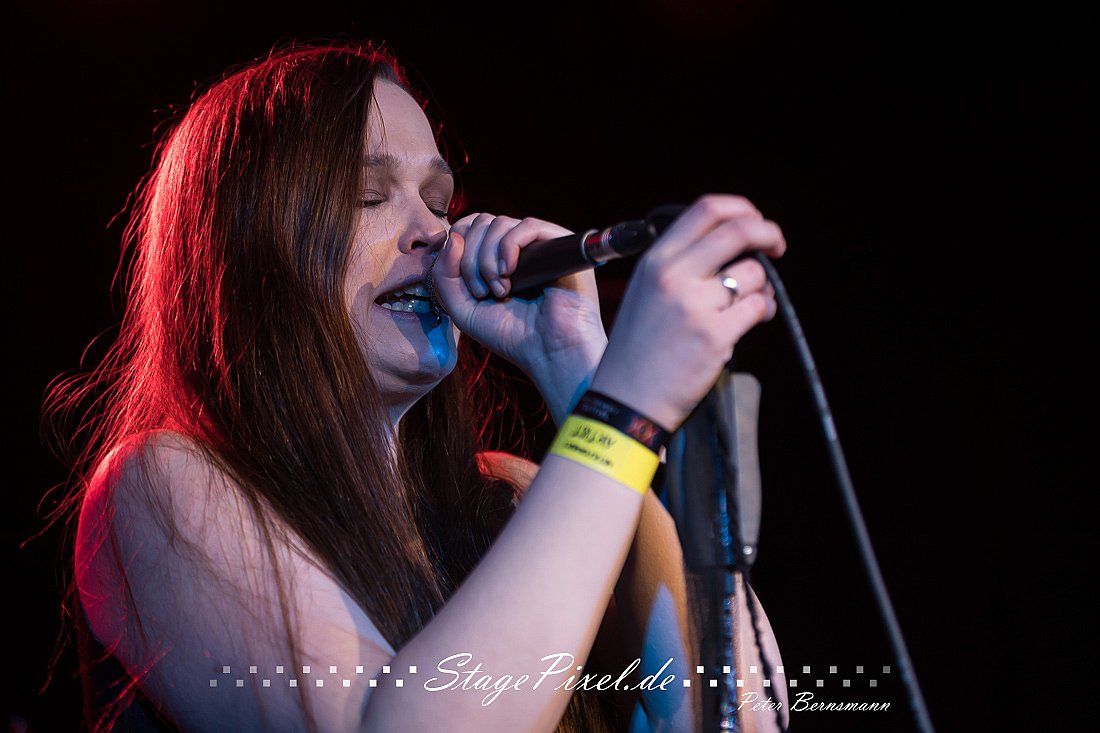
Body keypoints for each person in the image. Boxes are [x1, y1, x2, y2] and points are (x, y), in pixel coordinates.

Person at [51, 40, 790, 732]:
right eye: (368, 197)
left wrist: (583, 376)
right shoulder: (159, 485)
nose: (434, 233)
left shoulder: (517, 496)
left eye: (439, 202)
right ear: (250, 249)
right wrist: (619, 413)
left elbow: (745, 717)